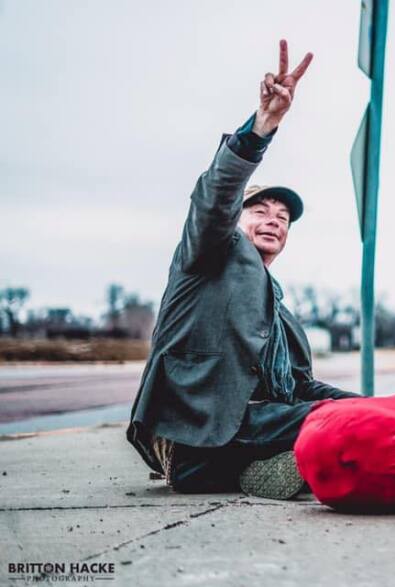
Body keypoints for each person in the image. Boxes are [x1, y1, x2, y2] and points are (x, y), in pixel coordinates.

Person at [126, 40, 360, 500]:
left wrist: (371, 406)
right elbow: (215, 197)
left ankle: (255, 471)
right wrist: (262, 126)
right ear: (235, 219)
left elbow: (299, 386)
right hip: (197, 430)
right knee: (340, 426)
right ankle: (242, 465)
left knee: (371, 418)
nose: (274, 218)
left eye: (283, 217)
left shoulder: (279, 310)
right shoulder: (208, 253)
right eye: (261, 210)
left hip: (252, 428)